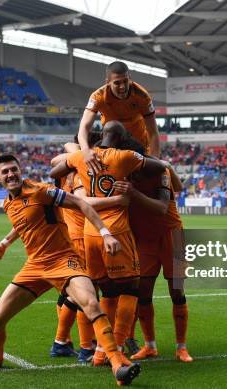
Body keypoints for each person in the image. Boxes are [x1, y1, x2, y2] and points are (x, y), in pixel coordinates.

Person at [0, 154, 141, 386]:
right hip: (34, 266)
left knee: (91, 303)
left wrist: (105, 233)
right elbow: (23, 223)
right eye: (5, 172)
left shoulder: (41, 191)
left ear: (21, 170)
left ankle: (117, 364)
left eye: (14, 169)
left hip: (63, 261)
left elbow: (81, 203)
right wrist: (4, 243)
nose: (11, 174)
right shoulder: (8, 203)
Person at [51, 121, 166, 365]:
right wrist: (123, 196)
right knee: (130, 289)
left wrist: (78, 153)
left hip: (88, 232)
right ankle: (112, 346)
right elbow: (159, 165)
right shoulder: (123, 156)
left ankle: (94, 348)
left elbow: (54, 170)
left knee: (99, 291)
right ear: (122, 137)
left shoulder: (82, 158)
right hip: (114, 232)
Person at [109, 136, 193, 363]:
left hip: (171, 237)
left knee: (177, 291)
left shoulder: (159, 172)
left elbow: (161, 207)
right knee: (143, 294)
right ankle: (150, 346)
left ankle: (181, 348)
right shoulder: (120, 174)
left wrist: (133, 193)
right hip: (144, 240)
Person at [77, 61, 160, 175]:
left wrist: (155, 160)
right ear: (108, 82)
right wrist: (85, 151)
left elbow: (153, 132)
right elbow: (84, 127)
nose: (122, 87)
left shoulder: (142, 96)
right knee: (73, 146)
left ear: (130, 78)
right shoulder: (98, 96)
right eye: (117, 83)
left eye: (125, 81)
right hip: (112, 144)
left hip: (136, 145)